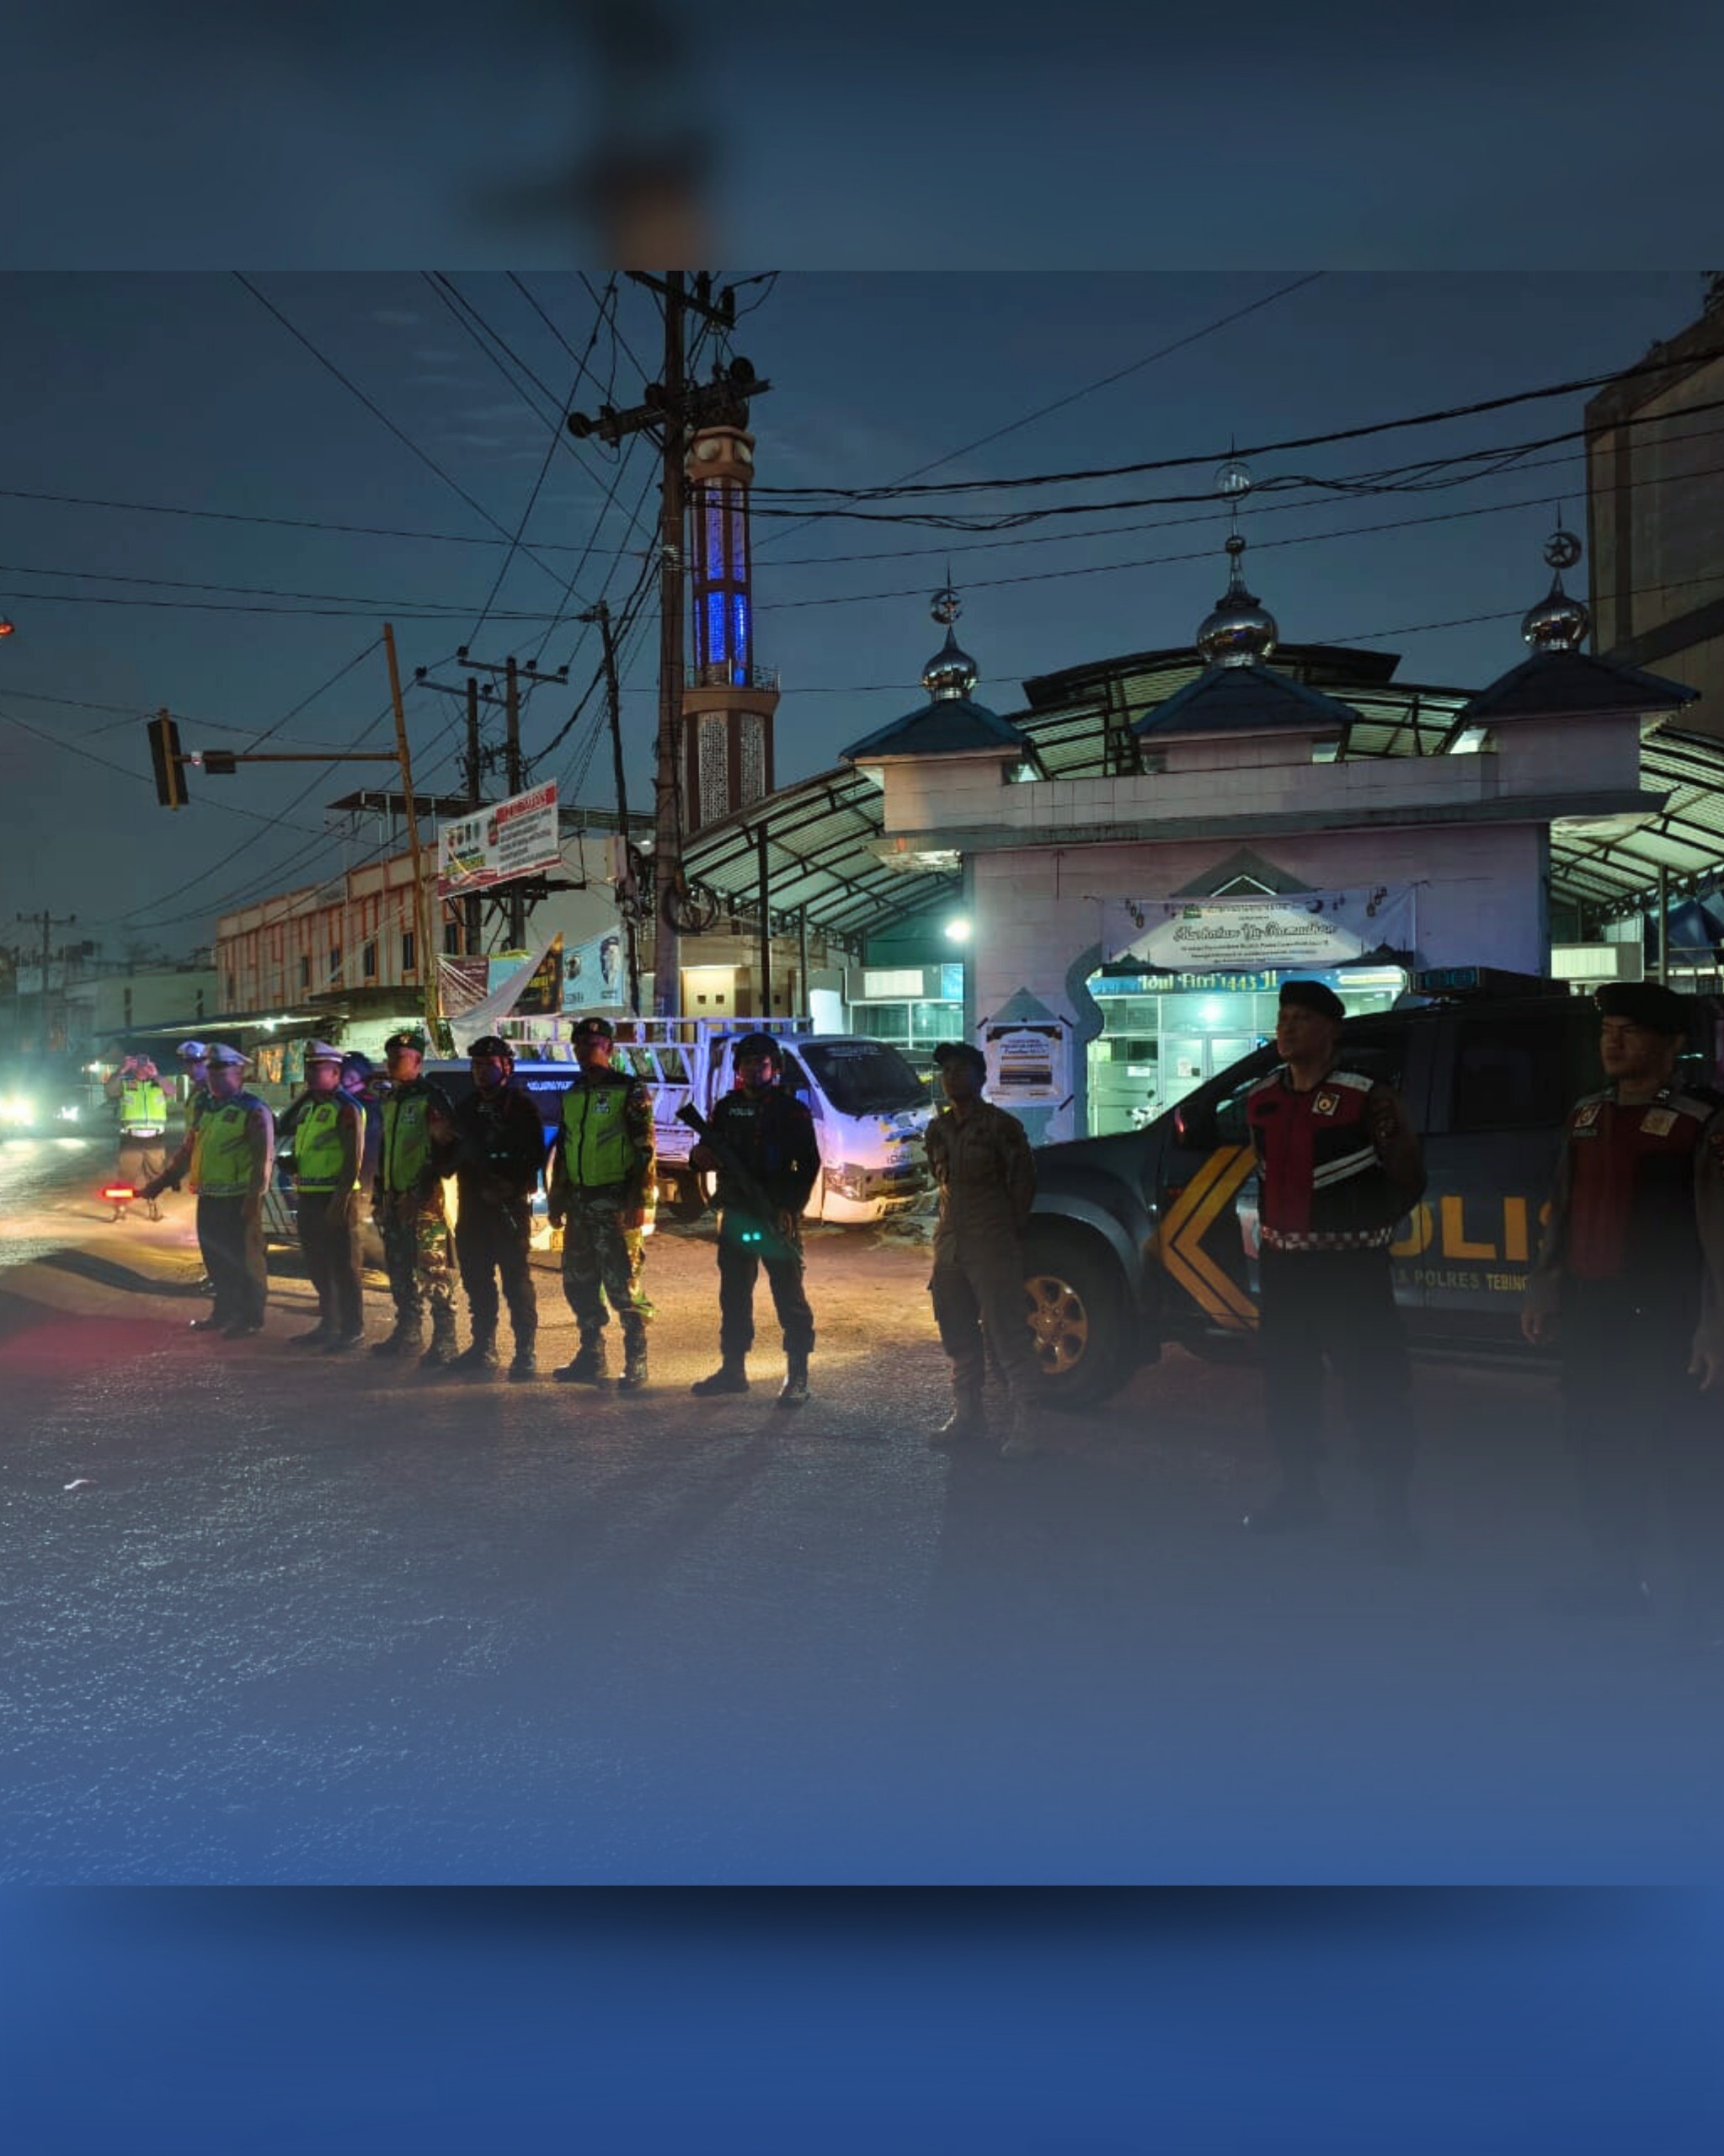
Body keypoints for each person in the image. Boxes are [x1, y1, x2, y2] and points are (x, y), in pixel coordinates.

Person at [1522, 981, 1724, 1628]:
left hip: (1665, 1321)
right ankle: (1616, 1581)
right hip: (1593, 1317)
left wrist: (1712, 1328)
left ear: (1671, 1044)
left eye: (1628, 1031)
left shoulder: (1700, 1123)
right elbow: (1562, 1212)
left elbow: (1717, 1235)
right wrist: (1545, 1286)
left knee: (1682, 1459)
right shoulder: (1585, 1117)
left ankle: (1704, 1608)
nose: (1611, 1042)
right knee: (1597, 1449)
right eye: (1607, 1030)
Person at [1241, 977, 1428, 1556]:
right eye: (1283, 1019)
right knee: (1287, 1387)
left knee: (1375, 1388)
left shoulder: (1366, 1098)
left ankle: (1392, 1517)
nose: (1287, 1029)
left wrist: (1360, 1229)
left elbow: (1407, 1178)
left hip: (1350, 1273)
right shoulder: (1261, 1099)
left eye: (1301, 1019)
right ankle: (1300, 1494)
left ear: (1331, 1030)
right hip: (1284, 1272)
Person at [688, 1031, 820, 1407]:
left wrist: (789, 1207)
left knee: (789, 1297)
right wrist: (698, 1156)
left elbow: (808, 1164)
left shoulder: (791, 1111)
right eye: (747, 1063)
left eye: (761, 1063)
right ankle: (733, 1370)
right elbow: (704, 1150)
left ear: (774, 1068)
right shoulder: (727, 1108)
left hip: (774, 1215)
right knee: (733, 1296)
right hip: (736, 1214)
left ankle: (798, 1376)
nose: (753, 1069)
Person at [924, 1040, 1042, 1460]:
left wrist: (1005, 1233)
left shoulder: (1001, 1127)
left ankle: (1028, 1424)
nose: (952, 1076)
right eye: (947, 1070)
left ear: (981, 1077)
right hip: (950, 1243)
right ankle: (968, 1416)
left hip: (991, 1241)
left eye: (961, 1069)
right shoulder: (938, 1130)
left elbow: (1022, 1186)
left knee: (1007, 1333)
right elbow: (941, 1183)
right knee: (957, 1332)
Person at [546, 1015, 656, 1390]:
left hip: (615, 1202)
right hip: (579, 1202)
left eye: (592, 1044)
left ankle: (636, 1359)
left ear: (609, 1048)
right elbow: (565, 1149)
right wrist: (557, 1197)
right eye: (579, 1044)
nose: (585, 1050)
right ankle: (591, 1356)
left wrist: (640, 1201)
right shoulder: (574, 1093)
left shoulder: (630, 1090)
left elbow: (645, 1149)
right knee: (579, 1281)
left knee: (624, 1283)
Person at [428, 1034, 544, 1382]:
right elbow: (446, 1166)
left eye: (488, 1065)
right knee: (477, 1282)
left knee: (516, 1284)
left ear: (506, 1067)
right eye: (476, 1065)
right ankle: (483, 1347)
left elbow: (534, 1157)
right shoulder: (464, 1110)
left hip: (508, 1209)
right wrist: (440, 1140)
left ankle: (525, 1353)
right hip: (473, 1210)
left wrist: (510, 1185)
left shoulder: (521, 1108)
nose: (480, 1071)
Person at [370, 1029, 459, 1368]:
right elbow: (386, 1151)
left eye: (401, 1057)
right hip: (394, 1199)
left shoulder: (431, 1098)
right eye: (390, 1056)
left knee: (433, 1272)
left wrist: (418, 1193)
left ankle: (445, 1340)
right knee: (399, 1269)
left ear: (418, 1061)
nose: (392, 1062)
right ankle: (407, 1332)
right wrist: (380, 1196)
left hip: (425, 1203)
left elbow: (445, 1153)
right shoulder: (392, 1099)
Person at [186, 1043, 275, 1339]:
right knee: (217, 1261)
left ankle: (251, 1318)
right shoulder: (207, 1108)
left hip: (239, 1199)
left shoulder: (252, 1109)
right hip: (210, 1197)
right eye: (211, 1071)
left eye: (221, 1071)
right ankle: (223, 1313)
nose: (214, 1077)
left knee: (247, 1262)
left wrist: (254, 1199)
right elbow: (190, 1148)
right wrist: (160, 1183)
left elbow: (263, 1158)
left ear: (239, 1073)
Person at [283, 1041, 366, 1353]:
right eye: (309, 1068)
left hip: (335, 1198)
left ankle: (351, 1329)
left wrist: (339, 1202)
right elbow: (285, 1126)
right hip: (310, 1196)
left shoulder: (345, 1108)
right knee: (318, 1264)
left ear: (336, 1073)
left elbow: (353, 1160)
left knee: (344, 1267)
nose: (310, 1074)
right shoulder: (311, 1107)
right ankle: (329, 1324)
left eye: (318, 1068)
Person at [141, 1042, 216, 1290]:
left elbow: (195, 1140)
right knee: (211, 1232)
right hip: (204, 1169)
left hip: (217, 1173)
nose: (191, 1069)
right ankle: (218, 1279)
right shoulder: (198, 1091)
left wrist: (169, 1176)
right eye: (187, 1064)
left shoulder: (211, 1094)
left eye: (196, 1063)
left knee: (218, 1234)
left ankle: (224, 1283)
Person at [103, 1054, 168, 1222]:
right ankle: (120, 1209)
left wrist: (157, 1074)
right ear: (133, 1066)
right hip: (131, 1139)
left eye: (146, 1063)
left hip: (155, 1139)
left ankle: (156, 1208)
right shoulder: (125, 1084)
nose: (143, 1066)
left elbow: (172, 1090)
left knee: (156, 1177)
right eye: (139, 1063)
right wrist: (121, 1070)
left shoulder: (158, 1084)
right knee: (126, 1177)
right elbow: (109, 1091)